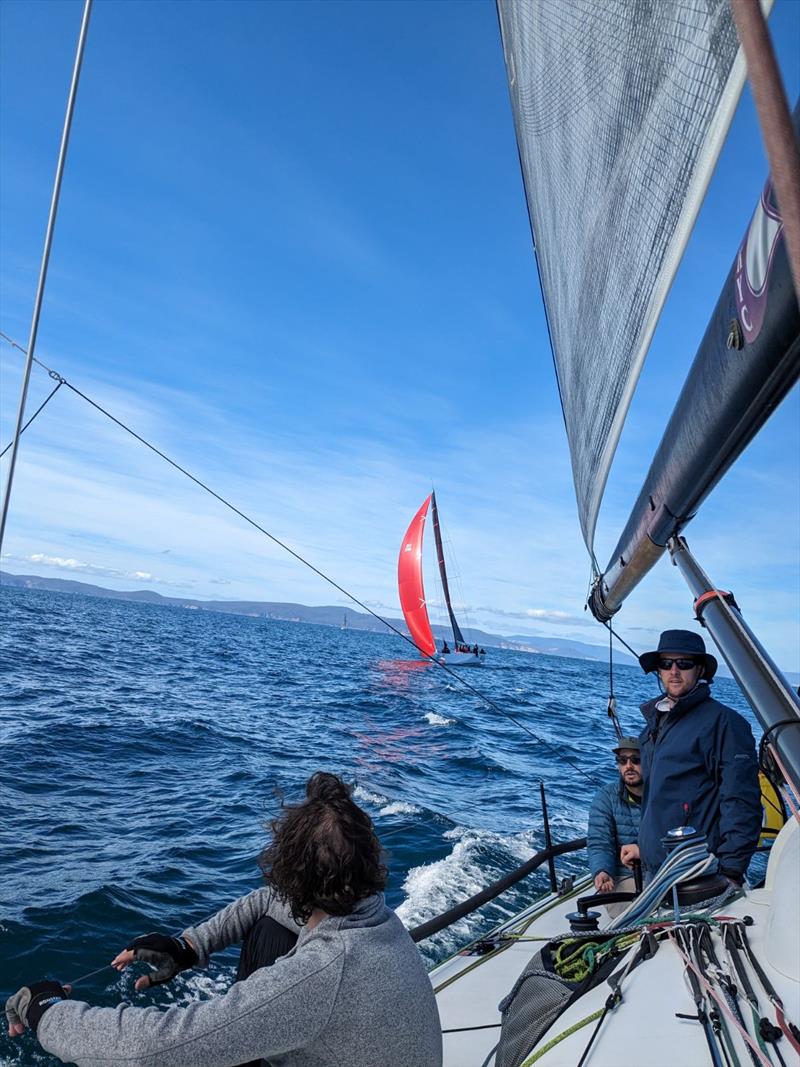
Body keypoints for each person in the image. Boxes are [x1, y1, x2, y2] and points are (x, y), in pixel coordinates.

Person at [6, 772, 443, 1067]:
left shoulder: (324, 971)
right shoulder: (375, 919)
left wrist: (49, 1014)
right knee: (272, 927)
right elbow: (265, 903)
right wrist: (187, 947)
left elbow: (150, 1050)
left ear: (293, 876)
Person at [632, 629, 761, 886]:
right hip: (656, 870)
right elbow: (660, 800)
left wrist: (731, 870)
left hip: (696, 872)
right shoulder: (653, 726)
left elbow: (741, 801)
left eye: (684, 663)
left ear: (700, 670)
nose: (674, 671)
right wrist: (642, 848)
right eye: (666, 664)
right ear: (658, 670)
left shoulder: (726, 724)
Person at [587, 737, 643, 916]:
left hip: (661, 873)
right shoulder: (605, 797)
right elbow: (599, 842)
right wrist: (602, 870)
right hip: (623, 876)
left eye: (636, 760)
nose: (628, 766)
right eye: (622, 760)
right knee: (631, 921)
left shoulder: (661, 794)